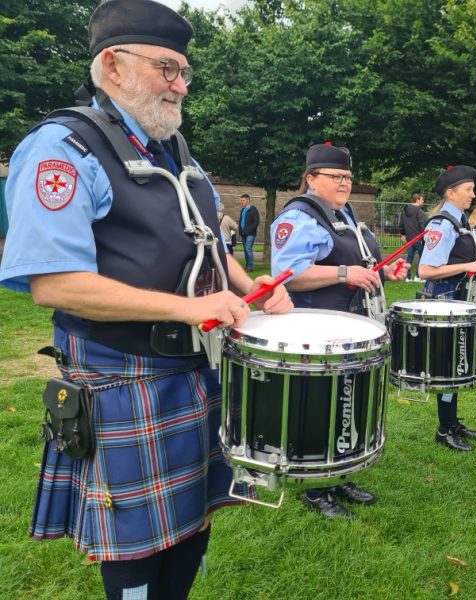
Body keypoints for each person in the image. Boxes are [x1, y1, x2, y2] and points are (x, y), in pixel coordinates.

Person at [0, 2, 293, 598]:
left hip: (193, 367)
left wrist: (254, 288)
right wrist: (189, 310)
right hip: (122, 376)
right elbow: (52, 283)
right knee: (137, 540)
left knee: (193, 525)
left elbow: (208, 240)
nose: (180, 86)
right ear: (112, 64)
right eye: (167, 68)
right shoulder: (63, 148)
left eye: (184, 72)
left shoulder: (176, 150)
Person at [270, 142, 407, 518]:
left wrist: (383, 271)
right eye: (336, 176)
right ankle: (316, 488)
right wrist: (345, 273)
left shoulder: (342, 212)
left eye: (348, 176)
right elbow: (289, 275)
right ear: (311, 178)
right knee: (321, 407)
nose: (345, 182)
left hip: (352, 325)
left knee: (347, 402)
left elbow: (361, 261)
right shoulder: (300, 216)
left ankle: (340, 473)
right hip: (319, 327)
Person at [418, 165, 476, 451]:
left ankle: (451, 422)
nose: (473, 194)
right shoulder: (442, 224)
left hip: (459, 299)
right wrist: (470, 265)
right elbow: (427, 269)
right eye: (468, 190)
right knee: (448, 365)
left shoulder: (460, 221)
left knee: (458, 362)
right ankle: (444, 429)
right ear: (450, 193)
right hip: (445, 299)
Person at [399, 192, 426, 281]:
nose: (423, 201)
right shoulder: (420, 212)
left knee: (409, 257)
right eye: (422, 199)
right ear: (417, 200)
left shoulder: (404, 212)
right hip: (419, 239)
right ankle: (418, 276)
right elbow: (422, 226)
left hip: (409, 239)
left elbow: (401, 224)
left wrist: (403, 234)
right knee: (422, 257)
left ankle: (407, 277)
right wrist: (424, 237)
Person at [239, 193, 259, 271]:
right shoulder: (243, 210)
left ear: (248, 200)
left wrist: (249, 230)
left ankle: (250, 267)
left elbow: (256, 222)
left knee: (248, 249)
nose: (242, 202)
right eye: (241, 200)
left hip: (250, 234)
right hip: (243, 234)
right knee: (245, 250)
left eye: (243, 200)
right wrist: (241, 231)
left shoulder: (253, 210)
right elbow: (241, 221)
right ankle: (247, 265)